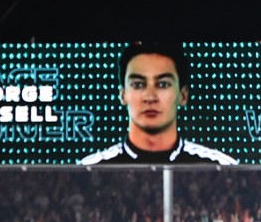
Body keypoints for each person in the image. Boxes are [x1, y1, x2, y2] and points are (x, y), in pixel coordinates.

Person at [79, 42, 239, 166]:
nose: (150, 97)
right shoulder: (88, 170)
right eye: (138, 84)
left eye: (163, 84)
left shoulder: (222, 168)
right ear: (123, 95)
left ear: (183, 95)